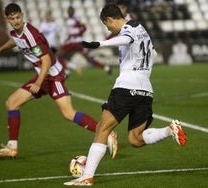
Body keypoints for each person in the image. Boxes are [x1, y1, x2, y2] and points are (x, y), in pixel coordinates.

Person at [64, 4, 187, 186]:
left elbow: (125, 39)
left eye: (107, 26)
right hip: (145, 90)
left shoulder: (129, 29)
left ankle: (87, 176)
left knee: (102, 129)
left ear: (110, 19)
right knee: (135, 139)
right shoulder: (142, 31)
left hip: (127, 87)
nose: (109, 30)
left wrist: (100, 44)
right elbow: (152, 54)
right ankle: (170, 130)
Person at [0, 3, 118, 159]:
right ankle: (12, 148)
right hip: (42, 76)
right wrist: (0, 49)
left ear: (22, 15)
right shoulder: (17, 33)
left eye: (17, 17)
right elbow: (15, 40)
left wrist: (37, 83)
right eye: (12, 19)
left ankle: (108, 133)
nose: (15, 21)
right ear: (7, 19)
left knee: (69, 113)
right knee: (12, 103)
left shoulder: (31, 35)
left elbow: (46, 60)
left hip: (52, 76)